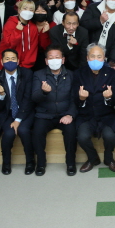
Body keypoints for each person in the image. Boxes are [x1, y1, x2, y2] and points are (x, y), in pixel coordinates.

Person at [72, 44, 115, 173]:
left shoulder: (112, 74)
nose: (95, 59)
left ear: (104, 58)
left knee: (110, 136)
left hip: (106, 115)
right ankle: (93, 158)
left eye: (99, 56)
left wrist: (108, 98)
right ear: (87, 58)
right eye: (92, 56)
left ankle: (109, 159)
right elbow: (74, 99)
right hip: (86, 115)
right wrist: (81, 98)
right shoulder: (78, 73)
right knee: (82, 137)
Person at [32, 45, 78, 176]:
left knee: (71, 132)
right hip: (44, 114)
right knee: (37, 133)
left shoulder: (71, 75)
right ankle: (41, 163)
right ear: (46, 61)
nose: (54, 60)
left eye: (57, 57)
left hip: (64, 114)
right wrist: (43, 92)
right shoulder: (38, 75)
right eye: (51, 58)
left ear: (63, 60)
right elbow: (34, 97)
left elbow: (75, 99)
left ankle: (71, 163)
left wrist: (70, 114)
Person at [0, 49, 35, 175]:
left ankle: (30, 162)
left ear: (18, 61)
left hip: (25, 112)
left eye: (13, 59)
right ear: (1, 61)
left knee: (24, 131)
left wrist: (18, 120)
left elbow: (28, 99)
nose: (10, 61)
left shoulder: (27, 74)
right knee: (9, 134)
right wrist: (1, 94)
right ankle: (6, 163)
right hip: (7, 113)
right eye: (7, 59)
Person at [80, 0, 115, 73]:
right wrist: (99, 21)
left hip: (110, 56)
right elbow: (83, 25)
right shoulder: (93, 8)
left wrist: (112, 59)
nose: (113, 0)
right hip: (91, 54)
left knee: (113, 78)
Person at [0, 0, 38, 69]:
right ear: (19, 10)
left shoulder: (33, 27)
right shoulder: (11, 23)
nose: (28, 11)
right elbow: (9, 43)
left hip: (25, 66)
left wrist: (24, 66)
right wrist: (17, 31)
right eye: (25, 8)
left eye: (31, 10)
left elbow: (33, 48)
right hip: (8, 63)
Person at [32, 1, 55, 71]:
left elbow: (47, 47)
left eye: (43, 11)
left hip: (46, 56)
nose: (40, 13)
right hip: (31, 55)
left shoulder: (52, 25)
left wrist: (45, 33)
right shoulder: (30, 25)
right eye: (37, 11)